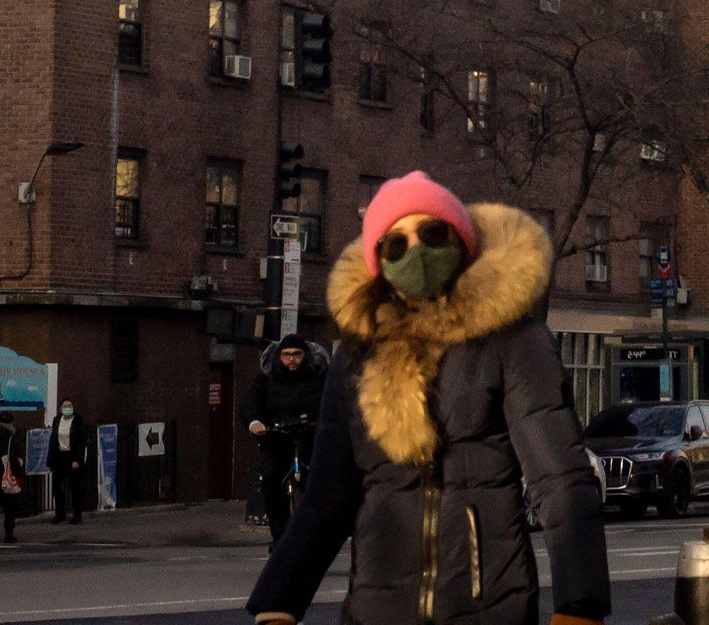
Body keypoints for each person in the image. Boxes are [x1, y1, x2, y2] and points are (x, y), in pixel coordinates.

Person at [249, 171, 608, 625]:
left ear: (459, 239)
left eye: (432, 233)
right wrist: (277, 601)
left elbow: (559, 478)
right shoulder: (357, 355)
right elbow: (326, 495)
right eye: (396, 244)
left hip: (487, 608)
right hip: (376, 612)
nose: (416, 251)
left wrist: (580, 603)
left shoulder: (512, 339)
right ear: (379, 260)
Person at [243, 336, 329, 540]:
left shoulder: (319, 376)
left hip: (310, 433)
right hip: (276, 436)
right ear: (279, 356)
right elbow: (250, 403)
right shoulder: (267, 377)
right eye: (287, 355)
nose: (292, 359)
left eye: (297, 355)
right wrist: (255, 423)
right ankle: (279, 535)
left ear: (306, 356)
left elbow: (334, 402)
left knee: (323, 478)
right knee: (271, 480)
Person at [46, 400, 91, 522]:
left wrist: (77, 459)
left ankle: (77, 515)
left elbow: (82, 442)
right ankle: (60, 514)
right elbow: (53, 440)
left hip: (72, 457)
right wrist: (50, 460)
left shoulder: (78, 421)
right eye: (65, 406)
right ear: (61, 408)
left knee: (74, 487)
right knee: (56, 486)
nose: (67, 408)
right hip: (59, 456)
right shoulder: (57, 420)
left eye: (70, 406)